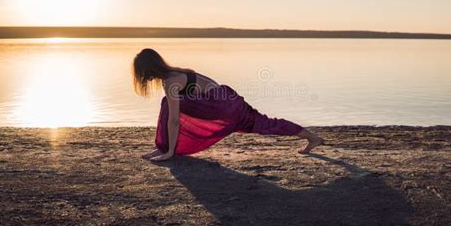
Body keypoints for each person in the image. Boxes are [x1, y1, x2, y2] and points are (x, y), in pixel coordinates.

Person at [133, 48, 325, 161]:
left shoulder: (170, 81)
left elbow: (174, 120)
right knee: (266, 123)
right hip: (228, 98)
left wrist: (169, 153)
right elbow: (211, 86)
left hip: (218, 105)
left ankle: (165, 149)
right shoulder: (181, 72)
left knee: (168, 104)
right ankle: (312, 137)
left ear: (147, 70)